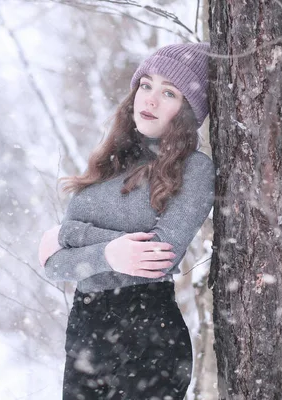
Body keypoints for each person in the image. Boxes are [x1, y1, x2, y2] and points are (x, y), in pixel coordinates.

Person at [38, 42, 214, 400]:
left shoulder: (194, 169)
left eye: (169, 93)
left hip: (147, 332)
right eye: (146, 85)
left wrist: (70, 235)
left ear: (188, 110)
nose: (149, 100)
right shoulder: (107, 164)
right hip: (86, 337)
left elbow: (158, 255)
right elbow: (56, 267)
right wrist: (110, 253)